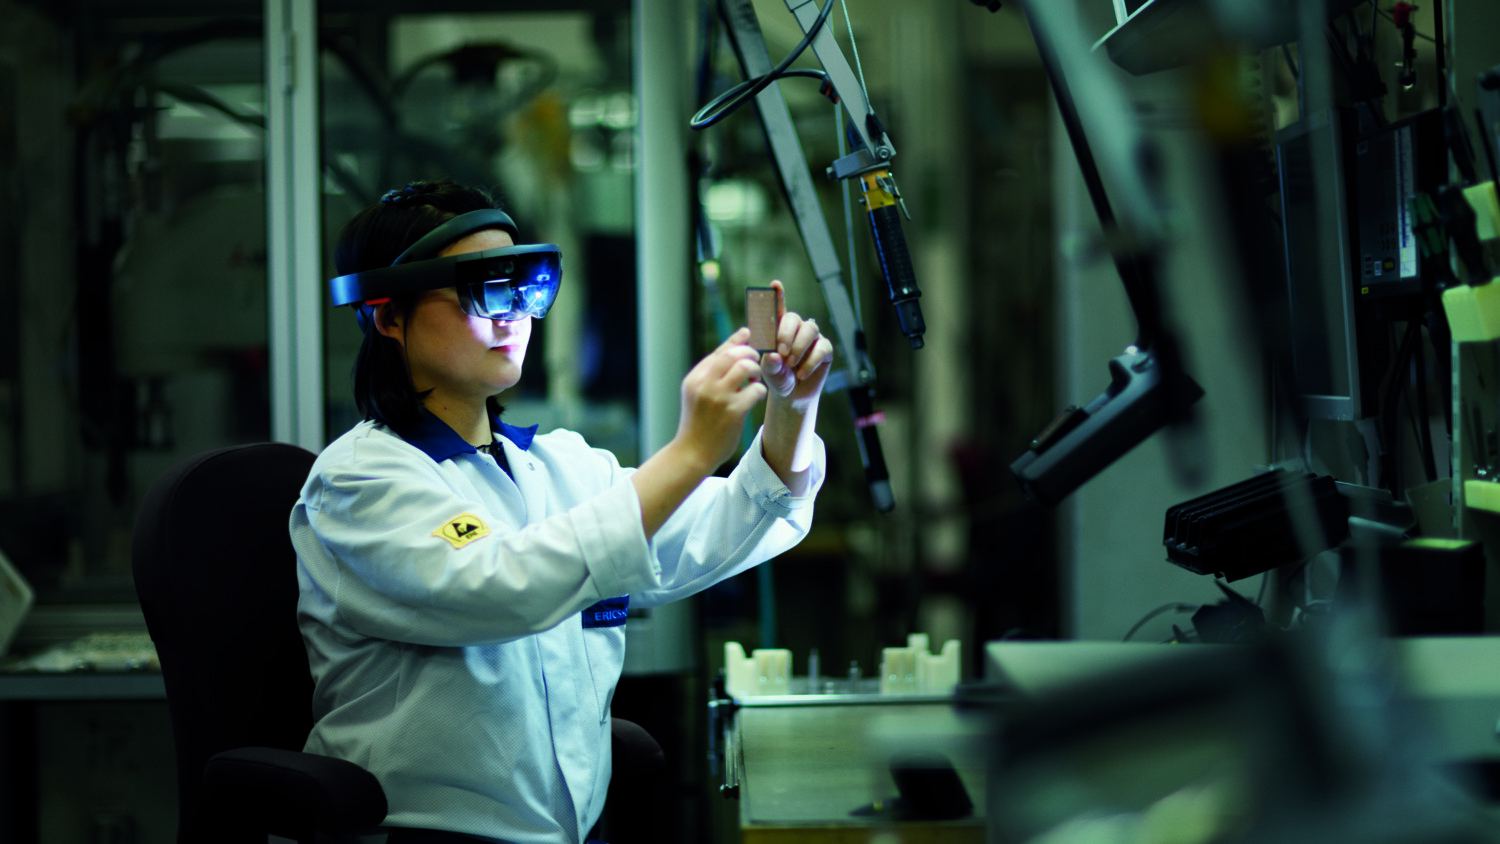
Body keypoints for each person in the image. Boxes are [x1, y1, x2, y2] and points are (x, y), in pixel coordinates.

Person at [290, 178, 832, 844]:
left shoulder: (561, 466)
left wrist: (792, 406)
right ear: (387, 315)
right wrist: (690, 451)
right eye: (483, 289)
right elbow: (504, 586)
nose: (513, 314)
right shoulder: (359, 481)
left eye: (524, 287)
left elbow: (728, 523)